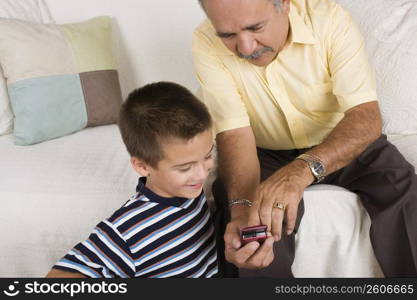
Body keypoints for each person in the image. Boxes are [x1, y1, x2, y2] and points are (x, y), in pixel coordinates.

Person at [192, 0, 417, 277]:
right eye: (227, 35)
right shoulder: (204, 40)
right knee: (252, 230)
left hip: (343, 141)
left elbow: (365, 116)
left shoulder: (329, 20)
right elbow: (234, 133)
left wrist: (301, 171)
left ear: (284, 5)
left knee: (404, 194)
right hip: (263, 152)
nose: (246, 48)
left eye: (256, 27)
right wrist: (241, 212)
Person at [46, 82, 218, 278]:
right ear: (143, 167)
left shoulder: (191, 190)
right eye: (185, 168)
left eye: (207, 156)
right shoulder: (125, 232)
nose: (202, 174)